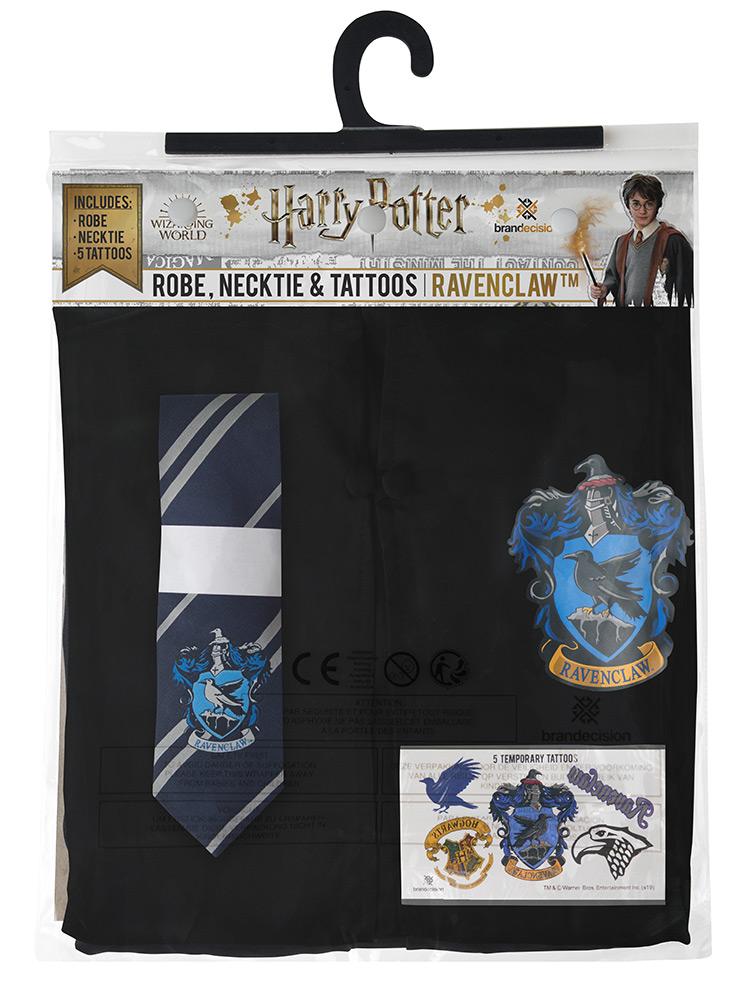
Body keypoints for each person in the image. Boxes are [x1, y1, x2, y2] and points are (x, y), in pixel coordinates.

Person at [591, 174, 693, 306]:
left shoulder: (674, 241)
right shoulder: (621, 243)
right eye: (636, 204)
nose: (642, 211)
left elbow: (687, 287)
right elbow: (612, 279)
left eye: (649, 204)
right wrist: (603, 289)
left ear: (658, 205)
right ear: (628, 206)